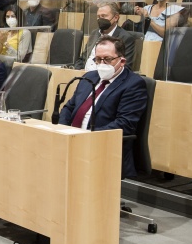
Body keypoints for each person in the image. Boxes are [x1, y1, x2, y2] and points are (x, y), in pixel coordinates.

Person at [59, 36, 147, 178]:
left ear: (122, 61)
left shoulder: (133, 84)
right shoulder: (89, 77)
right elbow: (69, 107)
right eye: (98, 59)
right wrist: (62, 130)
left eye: (107, 59)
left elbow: (125, 124)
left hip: (102, 147)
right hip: (72, 140)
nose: (101, 64)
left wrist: (87, 136)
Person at [75, 1, 135, 70]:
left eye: (104, 16)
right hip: (84, 73)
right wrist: (76, 70)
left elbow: (124, 67)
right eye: (98, 16)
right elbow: (83, 58)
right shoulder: (95, 33)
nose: (100, 19)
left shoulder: (125, 38)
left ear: (116, 17)